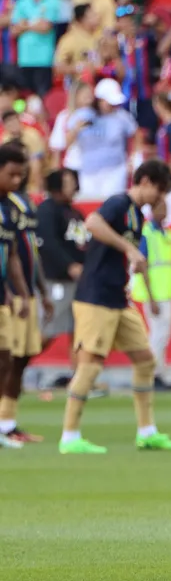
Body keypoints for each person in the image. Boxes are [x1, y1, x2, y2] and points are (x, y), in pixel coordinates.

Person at [60, 159, 171, 455]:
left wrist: (146, 289)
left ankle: (147, 431)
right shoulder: (118, 203)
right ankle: (70, 435)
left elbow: (133, 259)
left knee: (145, 359)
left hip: (118, 297)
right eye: (160, 191)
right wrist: (128, 248)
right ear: (145, 182)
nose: (161, 198)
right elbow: (92, 223)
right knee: (89, 366)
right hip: (95, 297)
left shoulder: (137, 217)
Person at [0, 168, 52, 443]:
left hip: (22, 292)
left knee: (16, 360)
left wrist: (39, 290)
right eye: (14, 172)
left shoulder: (22, 204)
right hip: (13, 294)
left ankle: (7, 423)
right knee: (8, 359)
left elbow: (26, 252)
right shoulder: (10, 207)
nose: (20, 178)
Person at [35, 168, 86, 397]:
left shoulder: (75, 213)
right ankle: (15, 365)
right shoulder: (47, 210)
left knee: (78, 330)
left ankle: (79, 378)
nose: (73, 186)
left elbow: (83, 243)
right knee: (48, 330)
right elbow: (48, 243)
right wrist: (69, 265)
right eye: (68, 182)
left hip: (78, 282)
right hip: (57, 280)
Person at [129, 197, 171, 392]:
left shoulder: (168, 234)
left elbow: (169, 266)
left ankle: (158, 374)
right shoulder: (146, 233)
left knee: (163, 335)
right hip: (155, 293)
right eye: (160, 207)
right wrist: (151, 297)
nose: (164, 211)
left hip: (167, 291)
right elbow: (142, 265)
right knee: (157, 334)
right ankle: (150, 374)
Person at [68, 78, 138, 200]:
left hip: (115, 170)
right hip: (89, 172)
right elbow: (66, 142)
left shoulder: (121, 116)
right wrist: (76, 129)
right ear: (99, 100)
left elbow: (136, 134)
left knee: (113, 204)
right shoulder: (83, 115)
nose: (112, 106)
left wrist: (133, 157)